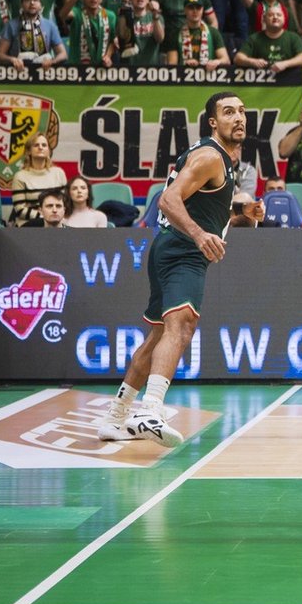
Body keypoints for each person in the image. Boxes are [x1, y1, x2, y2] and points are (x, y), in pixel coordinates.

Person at [98, 92, 261, 447]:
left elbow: (202, 207)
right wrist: (199, 235)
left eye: (242, 111)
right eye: (228, 112)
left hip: (171, 247)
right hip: (183, 250)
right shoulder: (210, 156)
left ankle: (115, 417)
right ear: (213, 122)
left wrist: (239, 215)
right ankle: (149, 411)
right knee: (181, 326)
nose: (238, 118)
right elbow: (168, 199)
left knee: (158, 336)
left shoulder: (220, 159)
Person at [8, 133, 67, 227]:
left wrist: (52, 217)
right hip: (28, 225)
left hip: (56, 223)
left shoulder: (59, 173)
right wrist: (45, 216)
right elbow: (19, 209)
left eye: (44, 145)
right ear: (29, 151)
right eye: (36, 145)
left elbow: (65, 203)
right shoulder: (20, 176)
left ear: (49, 151)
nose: (40, 147)